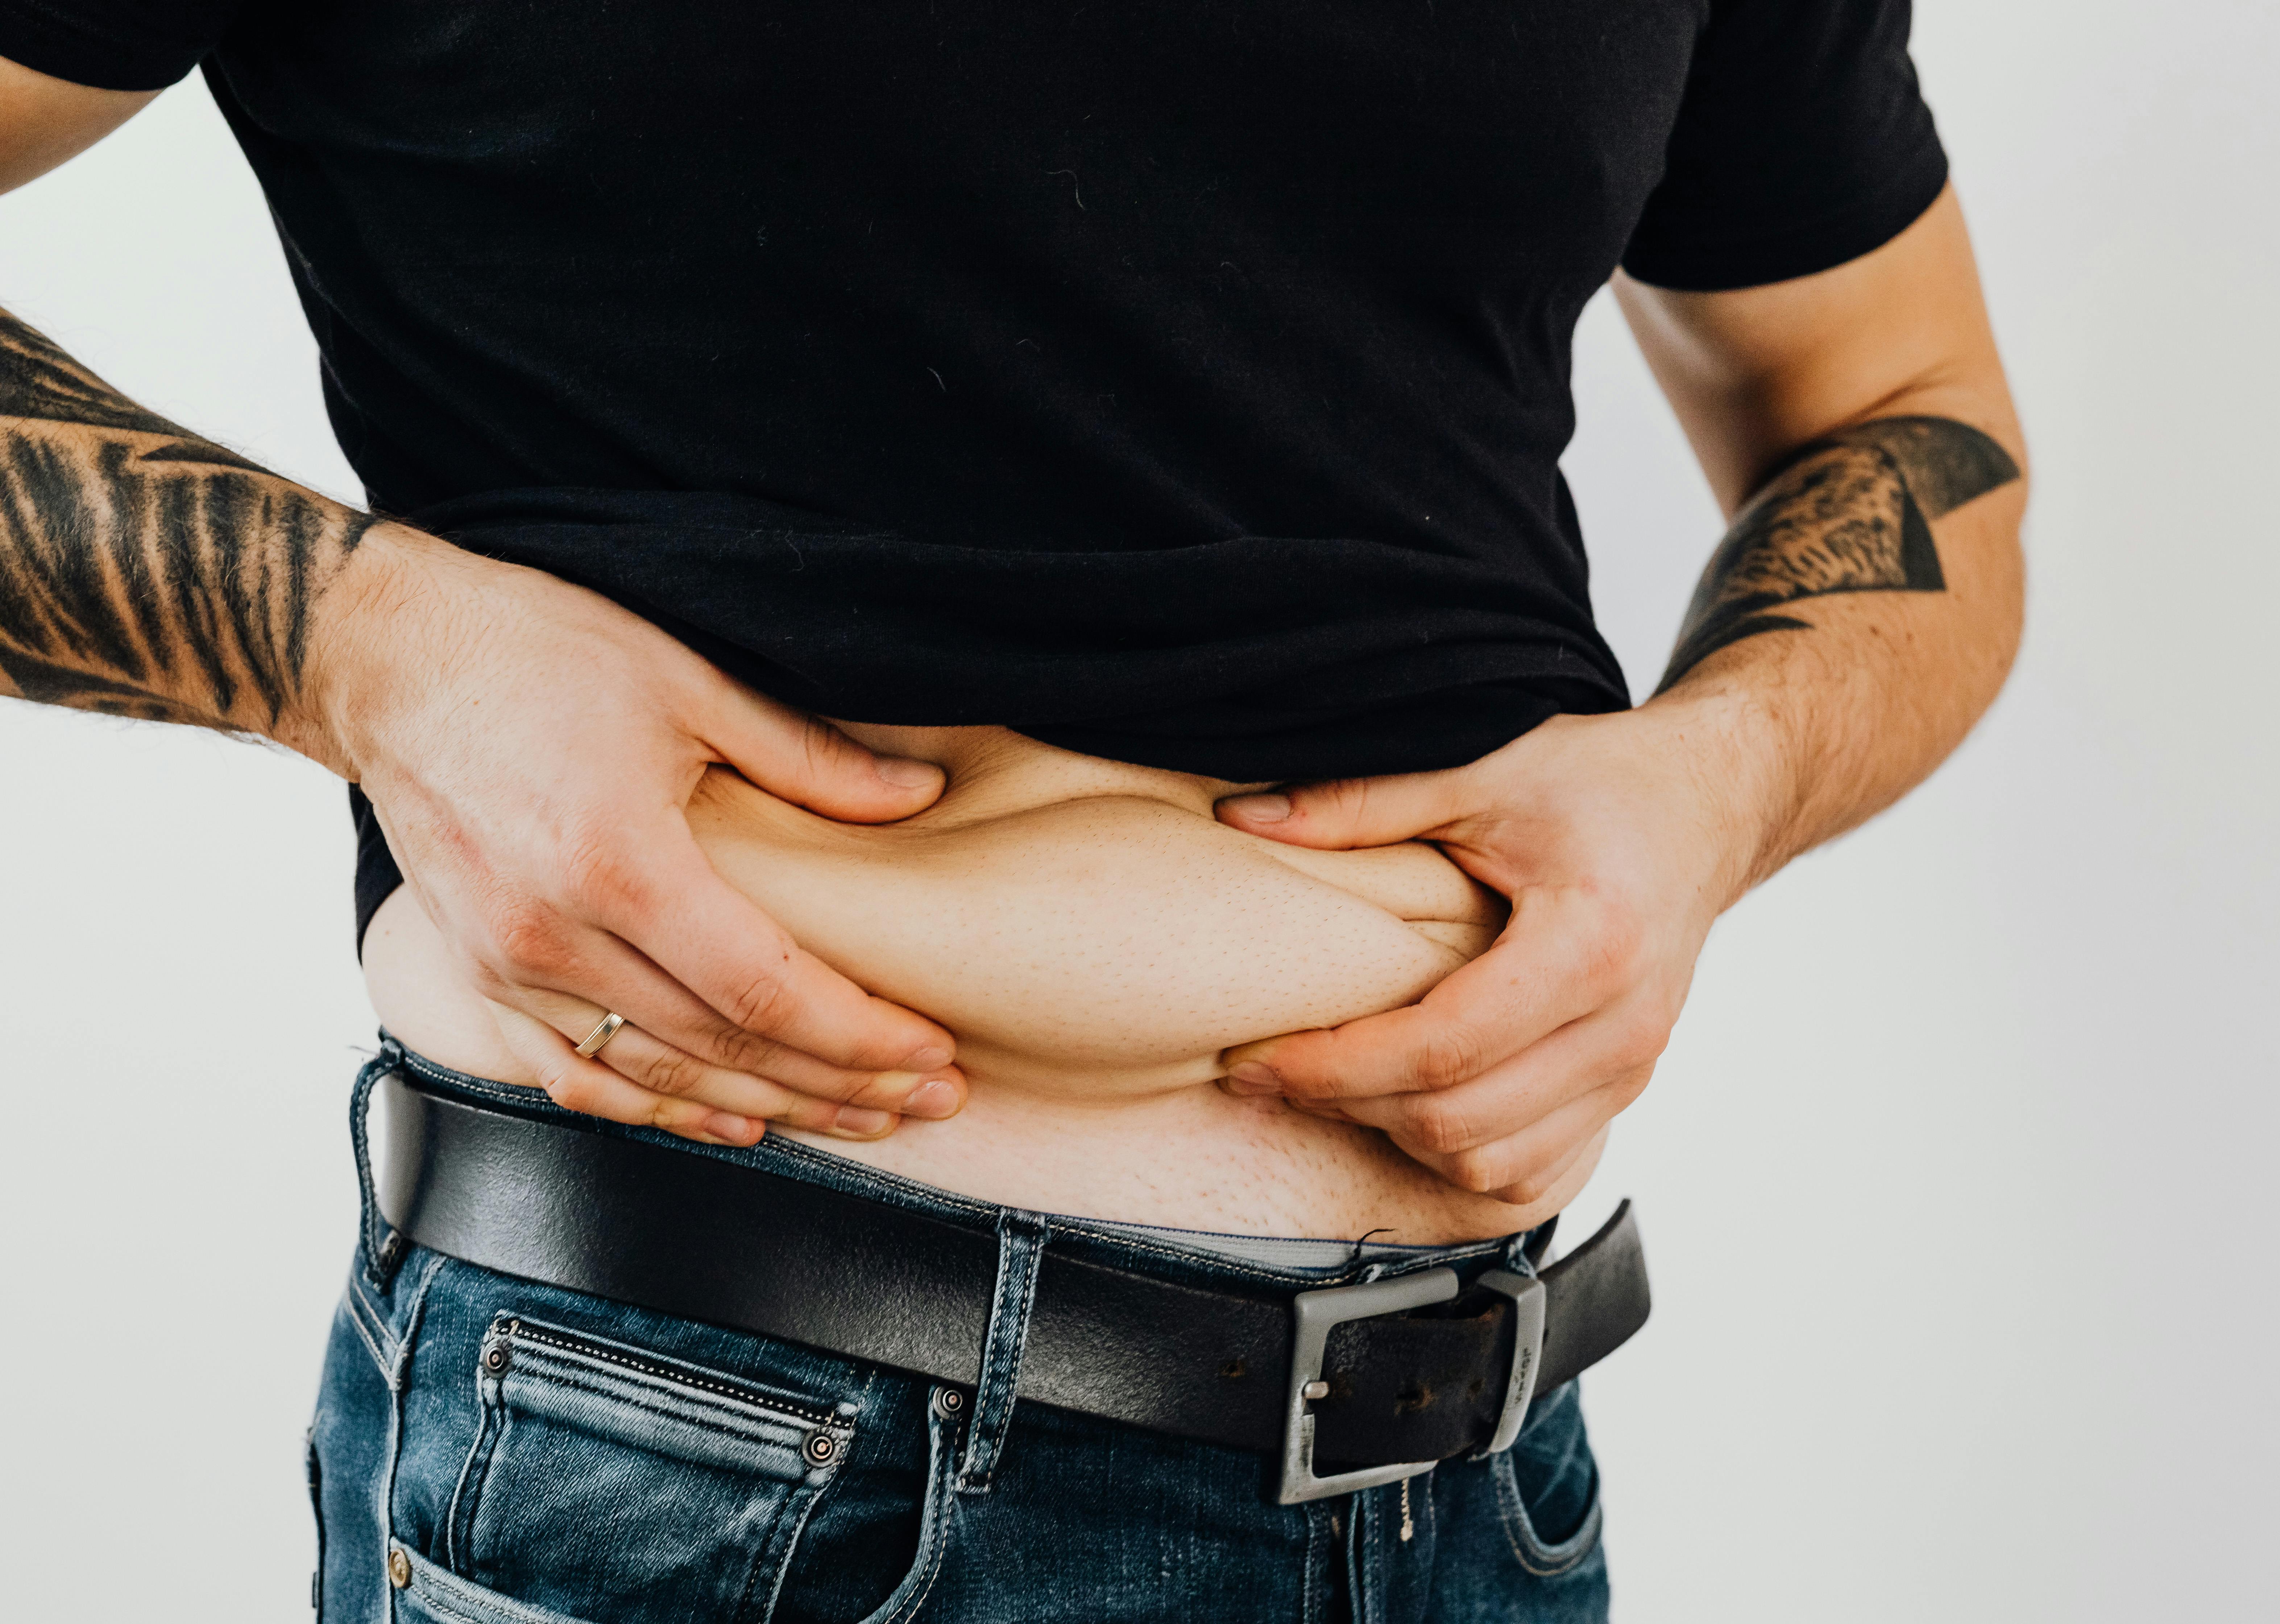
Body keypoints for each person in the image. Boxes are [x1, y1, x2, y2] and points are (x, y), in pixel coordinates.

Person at [0, 0, 2024, 1614]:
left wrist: (1719, 779)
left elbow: (1900, 400)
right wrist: (355, 649)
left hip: (1475, 1485)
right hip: (720, 1454)